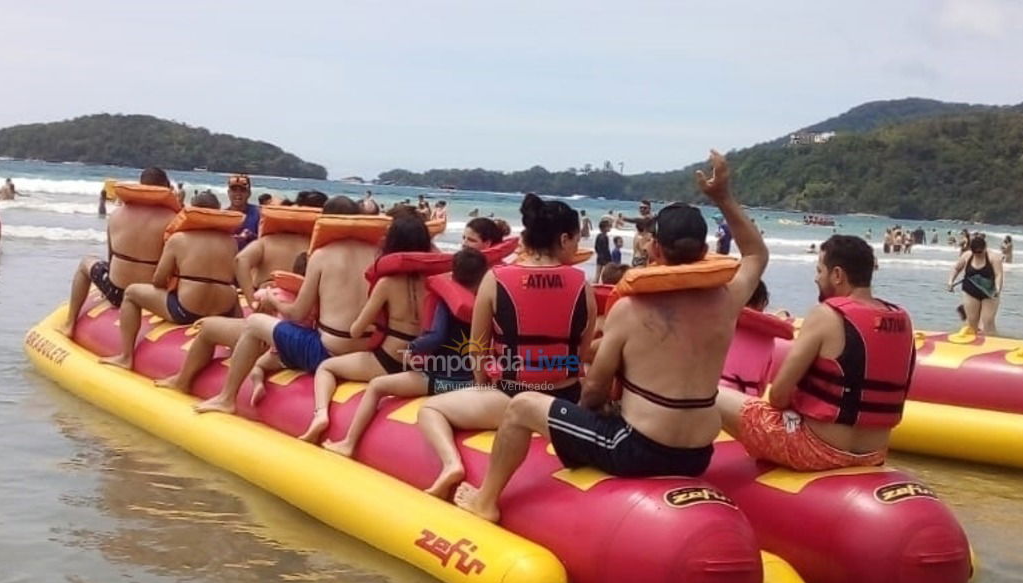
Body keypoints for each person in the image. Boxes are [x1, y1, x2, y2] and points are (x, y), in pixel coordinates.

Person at [455, 152, 766, 522]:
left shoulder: (630, 310)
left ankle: (485, 501)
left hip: (637, 450)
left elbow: (594, 390)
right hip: (699, 454)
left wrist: (576, 424)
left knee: (523, 405)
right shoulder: (728, 299)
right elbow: (756, 254)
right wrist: (724, 197)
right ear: (704, 251)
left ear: (654, 249)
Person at [418, 193, 596, 502]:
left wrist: (480, 386)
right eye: (577, 238)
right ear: (564, 239)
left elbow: (477, 348)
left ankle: (451, 465)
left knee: (429, 409)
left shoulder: (496, 278)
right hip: (565, 399)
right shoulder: (583, 284)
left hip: (511, 395)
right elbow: (580, 352)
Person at [716, 234, 914, 472]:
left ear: (837, 275)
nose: (816, 278)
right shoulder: (902, 319)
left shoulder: (826, 315)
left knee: (711, 392)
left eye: (820, 270)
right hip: (874, 454)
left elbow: (777, 396)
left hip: (816, 451)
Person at [191, 196, 382, 414]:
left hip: (328, 352)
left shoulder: (321, 256)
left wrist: (272, 300)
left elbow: (297, 312)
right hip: (367, 353)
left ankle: (226, 398)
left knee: (254, 323)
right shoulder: (378, 256)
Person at [324, 248, 491, 458]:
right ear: (484, 275)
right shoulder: (488, 301)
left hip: (439, 380)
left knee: (377, 386)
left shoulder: (444, 299)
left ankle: (348, 443)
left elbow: (436, 337)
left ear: (454, 274)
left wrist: (413, 348)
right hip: (469, 382)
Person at [298, 214, 435, 442]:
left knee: (326, 367)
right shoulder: (434, 283)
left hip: (387, 361)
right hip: (418, 365)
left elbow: (356, 330)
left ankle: (321, 414)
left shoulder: (387, 283)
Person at [99, 191, 242, 369]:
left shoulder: (178, 239)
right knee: (231, 293)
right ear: (219, 212)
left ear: (190, 210)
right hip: (223, 310)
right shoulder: (231, 242)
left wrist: (174, 284)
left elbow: (158, 279)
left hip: (187, 310)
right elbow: (234, 278)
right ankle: (239, 346)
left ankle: (126, 356)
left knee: (131, 293)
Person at [60, 168, 178, 336]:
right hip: (151, 295)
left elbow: (111, 256)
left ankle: (70, 323)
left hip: (117, 293)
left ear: (141, 186)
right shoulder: (173, 219)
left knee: (86, 262)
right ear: (166, 187)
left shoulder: (117, 214)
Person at [948, 234, 1004, 335]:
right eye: (975, 252)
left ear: (985, 248)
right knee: (972, 322)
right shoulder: (967, 256)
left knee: (988, 321)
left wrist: (998, 288)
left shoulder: (994, 258)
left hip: (990, 293)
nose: (978, 254)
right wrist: (950, 281)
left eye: (980, 252)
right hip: (970, 292)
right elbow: (956, 269)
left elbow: (998, 275)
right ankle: (973, 343)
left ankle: (992, 342)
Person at [226, 174, 261, 250]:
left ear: (249, 193)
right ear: (228, 192)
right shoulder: (223, 216)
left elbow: (266, 242)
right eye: (234, 190)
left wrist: (251, 236)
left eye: (242, 190)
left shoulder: (259, 214)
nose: (238, 194)